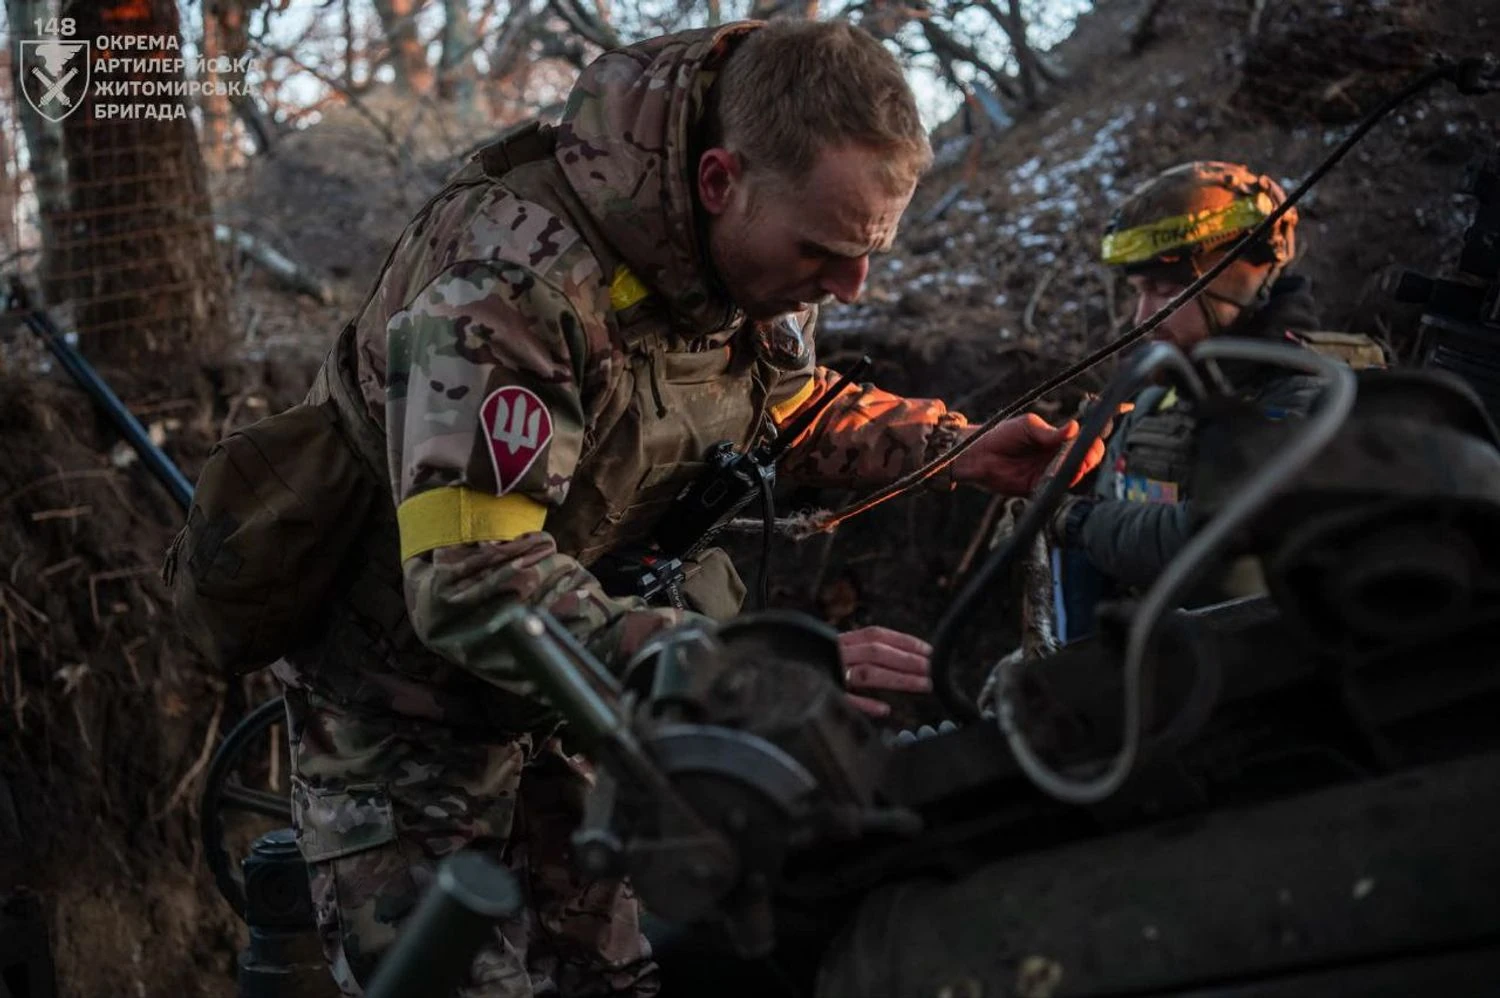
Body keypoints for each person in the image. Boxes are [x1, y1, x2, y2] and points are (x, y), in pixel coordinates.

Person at [268, 19, 1100, 998]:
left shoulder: (731, 258)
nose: (851, 284)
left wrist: (952, 446)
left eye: (866, 251)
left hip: (574, 704)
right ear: (719, 181)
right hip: (404, 727)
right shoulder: (511, 280)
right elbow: (469, 586)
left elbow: (777, 407)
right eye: (826, 250)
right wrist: (744, 671)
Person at [1045, 160, 1386, 636]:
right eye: (1140, 292)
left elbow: (1218, 543)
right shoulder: (1157, 400)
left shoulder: (1322, 399)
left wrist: (1075, 521)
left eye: (1166, 289)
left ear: (1241, 278)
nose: (1141, 317)